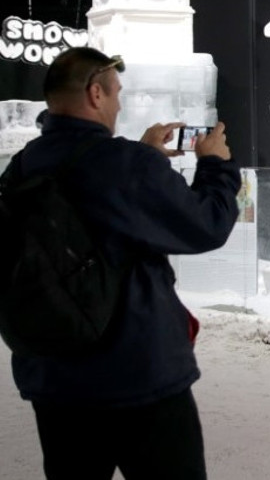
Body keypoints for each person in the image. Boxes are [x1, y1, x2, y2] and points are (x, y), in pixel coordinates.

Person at [3, 47, 240, 479]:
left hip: (53, 377)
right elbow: (207, 224)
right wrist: (215, 165)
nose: (118, 105)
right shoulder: (125, 165)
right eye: (116, 94)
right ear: (96, 94)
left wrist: (142, 156)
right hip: (138, 373)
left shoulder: (22, 167)